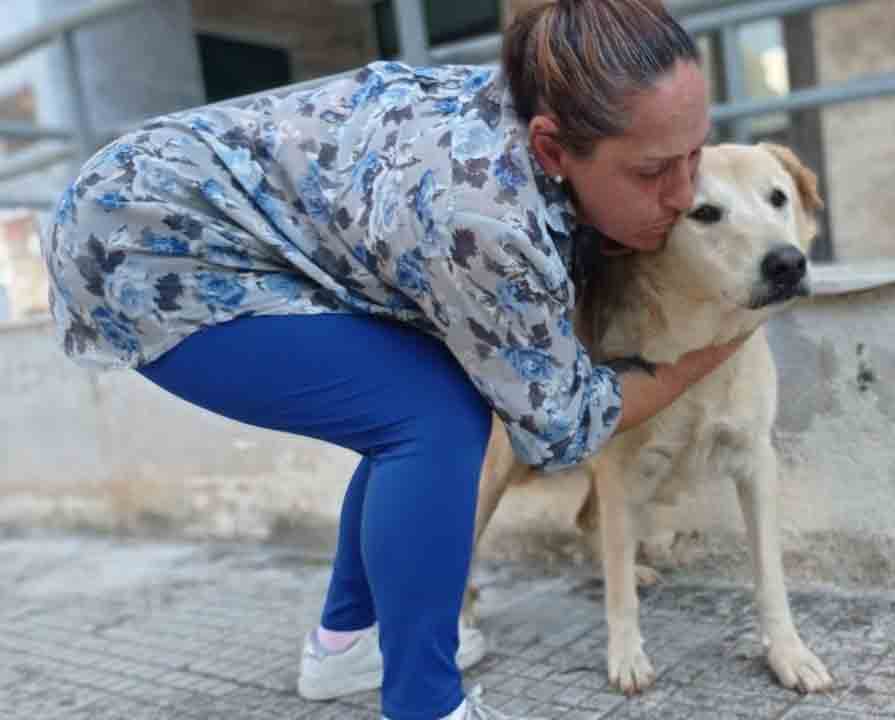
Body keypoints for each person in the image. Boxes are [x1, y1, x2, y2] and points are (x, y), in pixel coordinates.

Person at [40, 0, 744, 718]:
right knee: (432, 419)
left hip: (182, 203)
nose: (684, 194)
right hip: (145, 245)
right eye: (653, 170)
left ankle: (347, 643)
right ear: (553, 149)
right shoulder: (484, 218)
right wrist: (713, 347)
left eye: (695, 153)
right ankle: (425, 705)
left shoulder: (547, 102)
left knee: (408, 406)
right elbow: (564, 424)